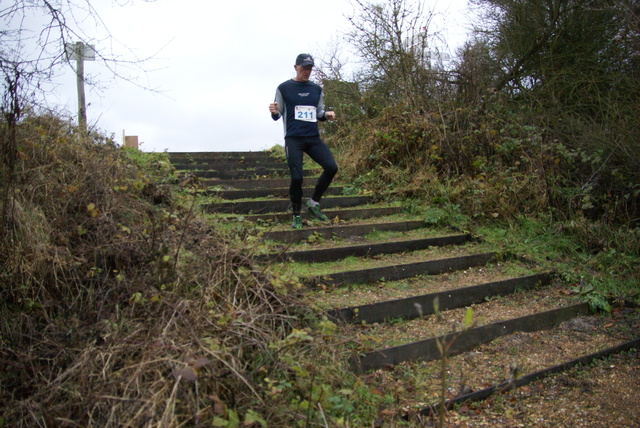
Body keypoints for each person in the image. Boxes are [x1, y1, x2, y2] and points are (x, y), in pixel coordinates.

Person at [269, 53, 338, 229]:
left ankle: (314, 202)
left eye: (309, 68)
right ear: (295, 68)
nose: (307, 72)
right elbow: (277, 115)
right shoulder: (284, 88)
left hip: (313, 138)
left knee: (331, 167)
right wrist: (274, 111)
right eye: (303, 68)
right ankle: (297, 215)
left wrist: (327, 115)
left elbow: (319, 112)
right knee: (297, 178)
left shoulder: (316, 89)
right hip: (293, 139)